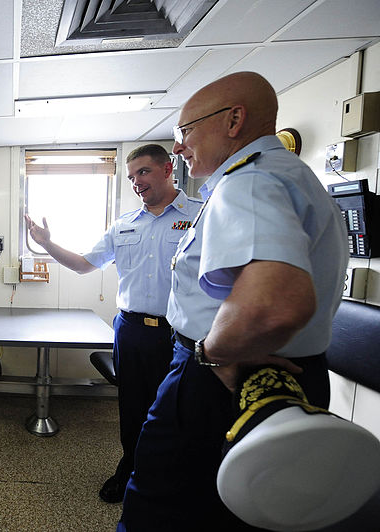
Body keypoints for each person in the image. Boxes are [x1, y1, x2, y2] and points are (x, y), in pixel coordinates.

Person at [117, 72, 349, 531]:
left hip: (223, 374)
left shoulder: (248, 182)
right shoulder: (292, 175)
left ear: (234, 120)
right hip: (288, 374)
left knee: (159, 503)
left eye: (186, 131)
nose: (180, 147)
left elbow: (274, 304)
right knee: (244, 508)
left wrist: (211, 353)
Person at [25, 144, 202, 503]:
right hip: (131, 330)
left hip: (180, 333)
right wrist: (47, 244)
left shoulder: (201, 216)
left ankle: (170, 478)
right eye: (132, 175)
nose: (137, 182)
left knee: (178, 409)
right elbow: (83, 264)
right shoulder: (123, 226)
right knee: (132, 407)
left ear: (168, 170)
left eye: (144, 172)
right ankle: (130, 470)